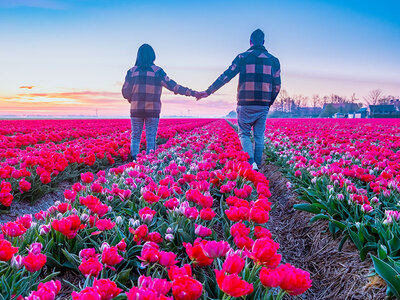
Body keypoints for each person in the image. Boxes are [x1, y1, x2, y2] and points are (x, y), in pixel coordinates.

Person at [197, 29, 281, 170]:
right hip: (262, 104)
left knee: (244, 133)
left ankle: (251, 164)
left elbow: (226, 76)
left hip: (245, 103)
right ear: (264, 42)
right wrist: (268, 102)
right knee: (259, 135)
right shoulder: (274, 60)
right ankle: (258, 164)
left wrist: (209, 91)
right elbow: (277, 85)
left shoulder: (242, 57)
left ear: (250, 41)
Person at [122, 44, 199, 161]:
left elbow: (125, 92)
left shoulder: (131, 72)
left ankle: (134, 162)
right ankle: (149, 164)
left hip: (136, 110)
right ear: (153, 56)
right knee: (151, 137)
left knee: (135, 137)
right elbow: (174, 86)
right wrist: (192, 93)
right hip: (152, 110)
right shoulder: (158, 71)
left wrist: (132, 99)